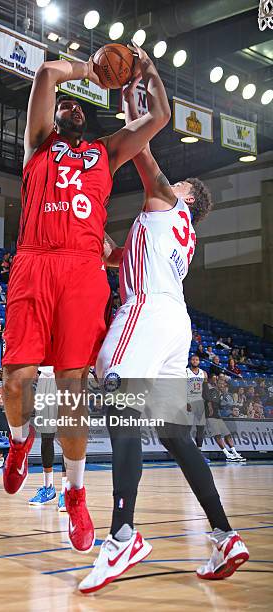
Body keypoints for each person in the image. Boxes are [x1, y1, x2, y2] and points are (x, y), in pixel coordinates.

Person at [79, 77, 249, 593]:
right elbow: (116, 258)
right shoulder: (167, 225)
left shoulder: (166, 202)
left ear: (189, 201)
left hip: (149, 312)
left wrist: (136, 101)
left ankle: (123, 533)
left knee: (115, 393)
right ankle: (224, 535)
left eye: (186, 185)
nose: (179, 182)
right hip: (175, 322)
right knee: (174, 433)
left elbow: (142, 151)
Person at [1, 42, 171, 553]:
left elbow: (159, 117)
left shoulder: (105, 152)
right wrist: (91, 70)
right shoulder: (38, 145)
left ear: (89, 120)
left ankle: (75, 494)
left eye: (79, 106)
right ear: (55, 116)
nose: (71, 107)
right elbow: (46, 72)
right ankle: (18, 440)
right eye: (65, 105)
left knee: (71, 391)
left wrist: (146, 71)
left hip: (81, 270)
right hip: (34, 261)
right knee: (17, 381)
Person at [27, 367, 67, 510]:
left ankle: (65, 491)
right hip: (45, 380)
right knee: (46, 438)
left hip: (65, 377)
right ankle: (48, 487)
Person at [205, 378, 246, 462]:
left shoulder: (221, 393)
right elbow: (208, 400)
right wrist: (210, 408)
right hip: (210, 416)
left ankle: (234, 453)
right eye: (220, 383)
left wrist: (226, 404)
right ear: (216, 383)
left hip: (218, 416)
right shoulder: (213, 390)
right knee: (218, 435)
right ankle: (227, 454)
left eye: (223, 384)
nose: (221, 385)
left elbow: (219, 405)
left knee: (227, 434)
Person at [186, 355, 208, 453]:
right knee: (187, 427)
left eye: (197, 360)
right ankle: (186, 450)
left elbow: (206, 389)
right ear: (190, 361)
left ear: (199, 361)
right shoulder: (185, 372)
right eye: (193, 359)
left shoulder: (204, 373)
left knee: (200, 428)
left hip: (200, 402)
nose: (195, 361)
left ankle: (199, 451)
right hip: (189, 401)